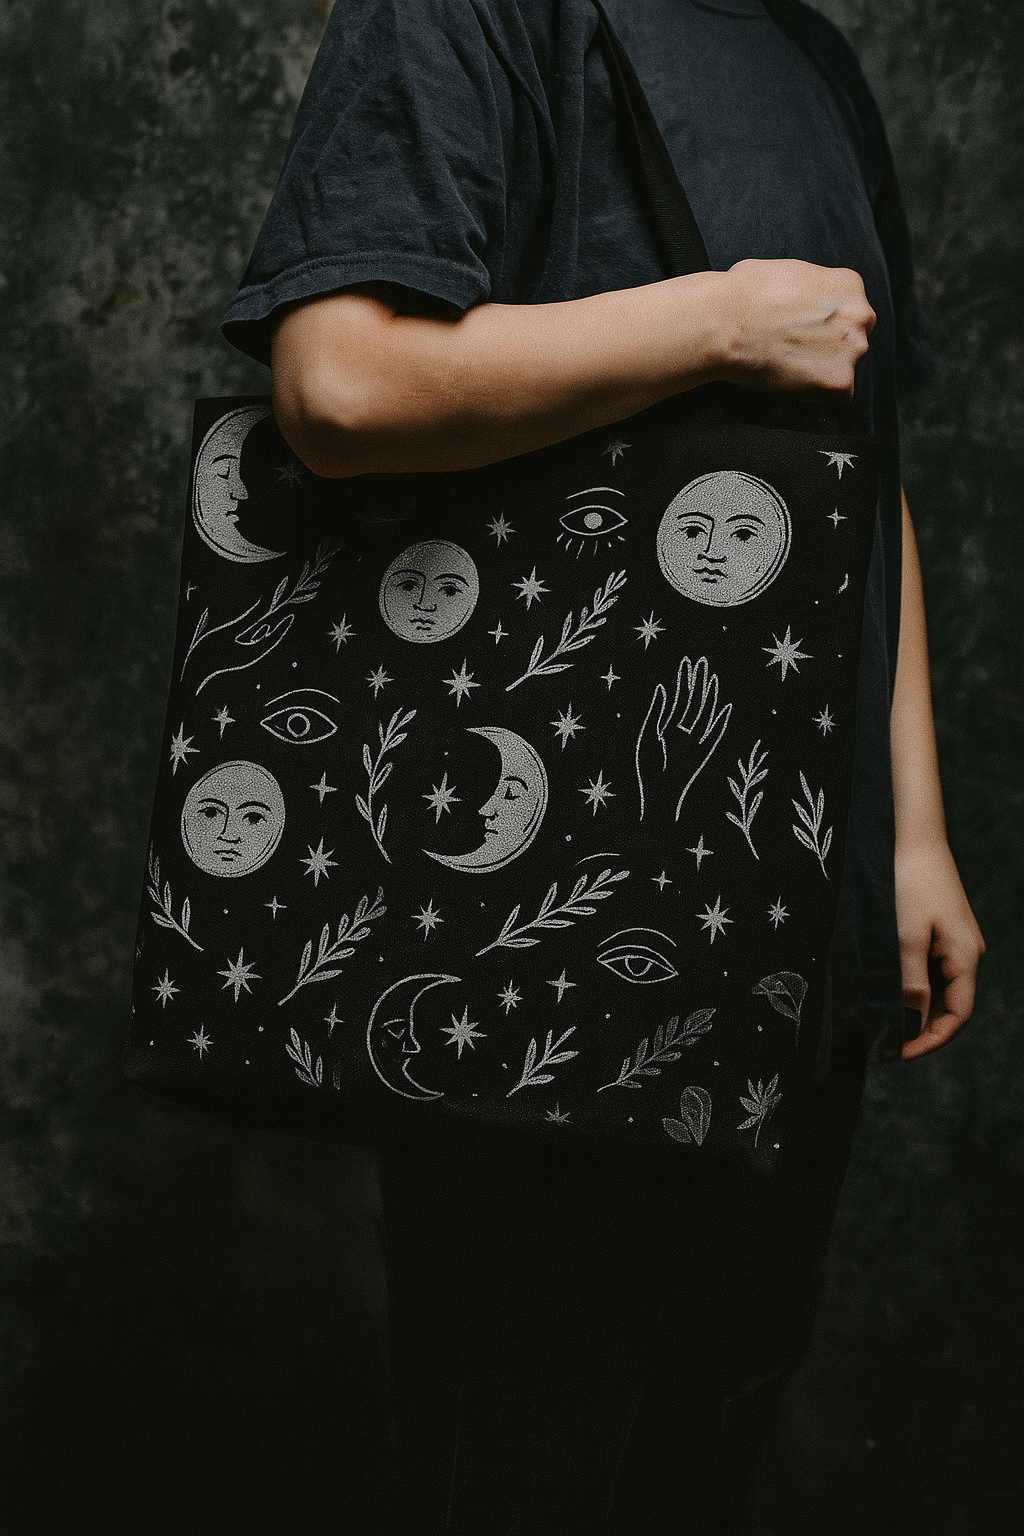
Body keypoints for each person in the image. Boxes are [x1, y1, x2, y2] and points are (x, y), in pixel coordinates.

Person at [221, 0, 985, 1529]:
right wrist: (718, 321)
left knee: (702, 1440)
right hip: (553, 925)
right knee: (525, 1461)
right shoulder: (467, 17)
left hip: (796, 908)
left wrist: (910, 839)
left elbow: (859, 463)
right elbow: (340, 387)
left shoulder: (807, 54)